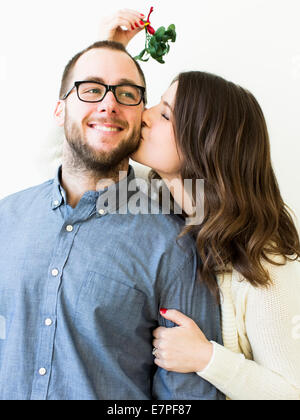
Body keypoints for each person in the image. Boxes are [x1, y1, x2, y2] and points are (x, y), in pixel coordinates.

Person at [0, 36, 224, 399]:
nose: (108, 105)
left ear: (141, 116)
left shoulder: (175, 245)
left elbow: (188, 397)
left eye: (126, 94)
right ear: (59, 110)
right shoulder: (7, 219)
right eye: (91, 90)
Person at [104, 9, 300, 400]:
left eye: (164, 114)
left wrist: (207, 358)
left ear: (202, 143)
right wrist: (110, 53)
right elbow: (68, 161)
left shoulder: (266, 259)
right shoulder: (153, 201)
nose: (143, 116)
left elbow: (290, 390)